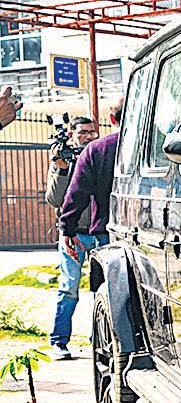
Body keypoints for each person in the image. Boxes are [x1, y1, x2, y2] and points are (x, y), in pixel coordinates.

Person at [55, 99, 124, 359]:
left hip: (104, 232)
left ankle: (102, 343)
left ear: (110, 119)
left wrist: (67, 229)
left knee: (103, 291)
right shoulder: (151, 148)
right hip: (148, 228)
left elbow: (76, 194)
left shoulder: (98, 150)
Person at [45, 116, 101, 360]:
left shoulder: (99, 155)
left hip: (100, 232)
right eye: (82, 133)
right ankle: (59, 341)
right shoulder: (63, 161)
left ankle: (99, 338)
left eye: (91, 132)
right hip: (73, 234)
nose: (88, 137)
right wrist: (62, 169)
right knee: (69, 288)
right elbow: (55, 199)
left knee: (102, 291)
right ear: (72, 135)